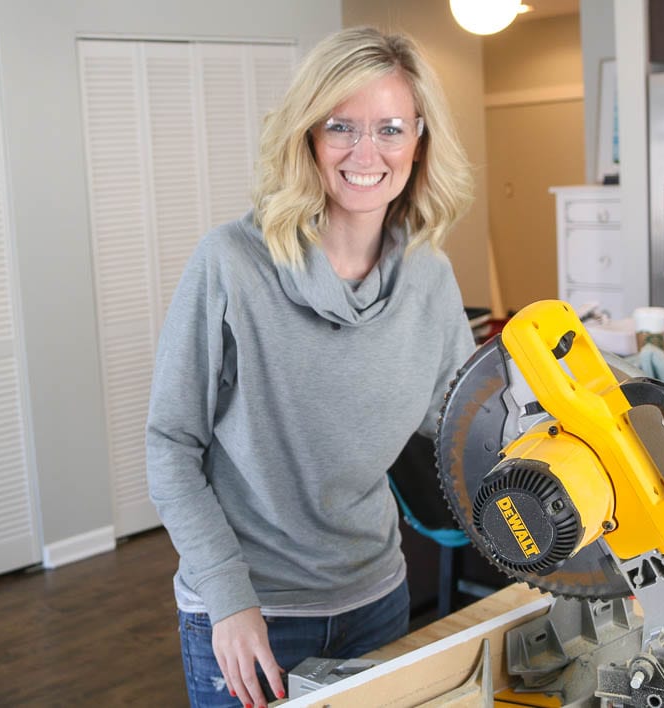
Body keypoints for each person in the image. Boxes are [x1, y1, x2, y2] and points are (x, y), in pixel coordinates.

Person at [146, 25, 475, 708]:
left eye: (390, 128)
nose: (366, 152)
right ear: (307, 137)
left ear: (419, 142)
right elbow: (171, 445)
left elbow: (461, 424)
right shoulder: (231, 265)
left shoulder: (431, 276)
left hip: (379, 596)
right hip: (253, 614)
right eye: (341, 127)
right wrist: (229, 601)